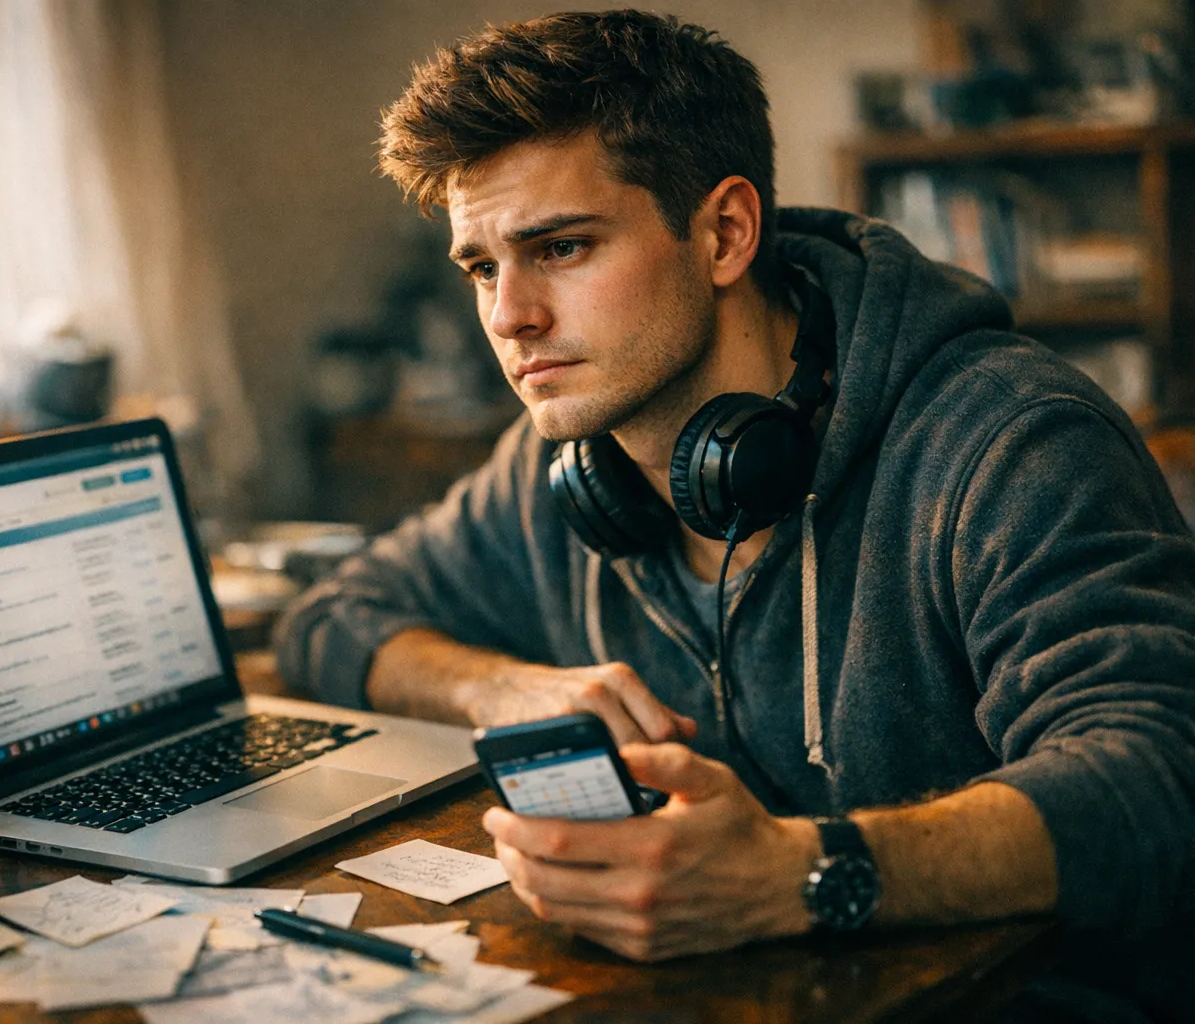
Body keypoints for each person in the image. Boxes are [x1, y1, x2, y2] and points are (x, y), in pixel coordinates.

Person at [275, 10, 1195, 1016]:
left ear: (723, 233)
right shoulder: (557, 462)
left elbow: (1154, 780)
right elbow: (328, 621)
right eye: (484, 267)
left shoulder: (1007, 438)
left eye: (563, 247)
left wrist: (793, 871)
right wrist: (500, 689)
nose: (509, 317)